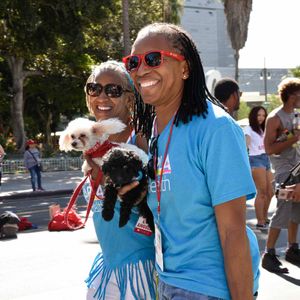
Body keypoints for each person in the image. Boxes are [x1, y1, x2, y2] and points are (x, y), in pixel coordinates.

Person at [122, 23, 260, 300]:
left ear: (185, 68)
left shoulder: (216, 129)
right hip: (168, 281)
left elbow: (233, 232)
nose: (141, 69)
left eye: (153, 59)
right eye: (133, 62)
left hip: (209, 288)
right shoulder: (157, 130)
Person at [81, 60, 156, 300]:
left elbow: (152, 197)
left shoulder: (140, 138)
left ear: (130, 99)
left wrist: (104, 178)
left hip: (140, 268)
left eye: (113, 90)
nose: (102, 96)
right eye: (95, 88)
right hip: (109, 265)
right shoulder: (92, 140)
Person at [262, 77, 300, 273]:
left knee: (297, 210)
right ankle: (269, 254)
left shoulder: (296, 116)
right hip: (284, 172)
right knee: (283, 210)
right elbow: (269, 148)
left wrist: (294, 136)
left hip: (297, 167)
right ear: (292, 95)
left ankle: (293, 248)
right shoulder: (275, 118)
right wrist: (293, 137)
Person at [244, 106, 273, 230]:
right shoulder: (248, 129)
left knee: (271, 192)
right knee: (262, 192)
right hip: (255, 160)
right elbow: (246, 147)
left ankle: (265, 217)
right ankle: (260, 221)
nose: (261, 117)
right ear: (253, 116)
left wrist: (290, 133)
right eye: (258, 115)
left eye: (263, 115)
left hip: (266, 159)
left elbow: (280, 136)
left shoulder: (264, 129)